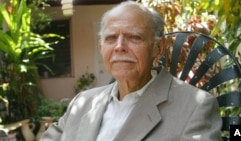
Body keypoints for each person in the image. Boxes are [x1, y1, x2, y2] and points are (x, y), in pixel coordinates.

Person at [40, 1, 222, 141]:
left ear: (158, 49)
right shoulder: (83, 103)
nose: (119, 47)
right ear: (101, 47)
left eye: (134, 37)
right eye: (111, 38)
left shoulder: (195, 108)